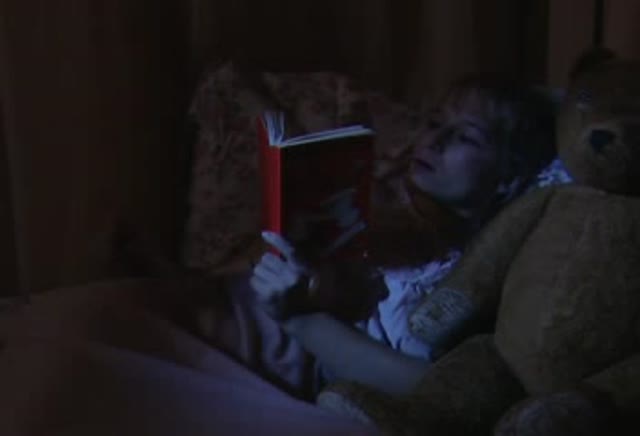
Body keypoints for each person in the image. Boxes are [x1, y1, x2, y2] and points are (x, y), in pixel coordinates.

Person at [194, 74, 556, 402]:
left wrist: (299, 318)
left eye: (466, 136)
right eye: (435, 123)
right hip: (230, 310)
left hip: (270, 356)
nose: (435, 141)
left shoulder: (476, 273)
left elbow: (434, 391)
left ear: (508, 177)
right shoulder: (378, 208)